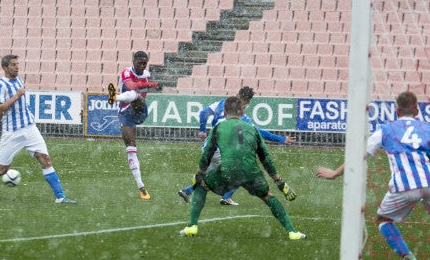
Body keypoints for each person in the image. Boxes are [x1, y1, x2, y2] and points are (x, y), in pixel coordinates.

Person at [316, 91, 430, 260]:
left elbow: (359, 155)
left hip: (403, 188)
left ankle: (408, 257)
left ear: (397, 111)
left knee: (382, 220)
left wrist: (335, 174)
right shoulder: (428, 127)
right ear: (417, 109)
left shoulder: (386, 130)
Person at [179, 96, 305, 240]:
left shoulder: (218, 128)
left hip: (228, 171)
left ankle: (191, 226)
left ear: (225, 112)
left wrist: (200, 173)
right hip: (251, 172)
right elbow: (265, 158)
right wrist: (279, 182)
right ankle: (292, 232)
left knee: (201, 187)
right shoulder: (252, 128)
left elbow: (207, 154)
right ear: (241, 113)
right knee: (267, 196)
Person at [0, 54, 76, 204]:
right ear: (5, 67)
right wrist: (14, 98)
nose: (17, 68)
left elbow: (7, 109)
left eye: (17, 65)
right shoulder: (0, 85)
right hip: (12, 132)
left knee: (45, 159)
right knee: (2, 169)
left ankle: (60, 197)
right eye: (13, 65)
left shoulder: (19, 80)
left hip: (29, 128)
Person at [177, 86, 296, 206]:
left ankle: (187, 191)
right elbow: (259, 132)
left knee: (208, 175)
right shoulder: (241, 117)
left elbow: (203, 113)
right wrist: (281, 139)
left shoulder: (222, 104)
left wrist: (202, 129)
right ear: (246, 101)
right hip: (221, 149)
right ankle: (226, 196)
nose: (246, 105)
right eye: (247, 102)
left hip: (208, 146)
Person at [107, 51, 158, 200]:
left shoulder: (145, 75)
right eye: (139, 62)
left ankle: (114, 97)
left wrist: (146, 84)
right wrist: (149, 84)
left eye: (144, 63)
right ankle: (141, 186)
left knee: (136, 96)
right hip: (125, 113)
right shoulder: (126, 72)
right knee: (131, 147)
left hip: (140, 110)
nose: (141, 66)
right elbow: (130, 85)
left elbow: (139, 93)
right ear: (133, 61)